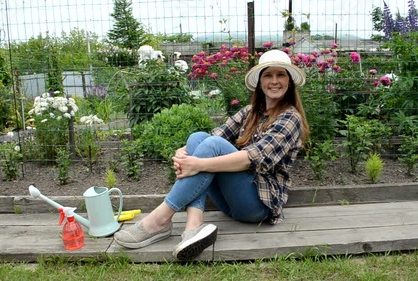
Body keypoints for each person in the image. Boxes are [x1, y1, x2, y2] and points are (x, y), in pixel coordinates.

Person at [114, 49, 309, 261]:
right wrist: (185, 152)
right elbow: (213, 135)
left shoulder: (290, 118)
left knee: (212, 146)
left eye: (281, 75)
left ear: (289, 81)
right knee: (197, 138)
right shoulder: (250, 112)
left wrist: (196, 164)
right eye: (268, 75)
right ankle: (194, 225)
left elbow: (251, 158)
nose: (274, 81)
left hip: (258, 206)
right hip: (230, 203)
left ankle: (159, 220)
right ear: (260, 82)